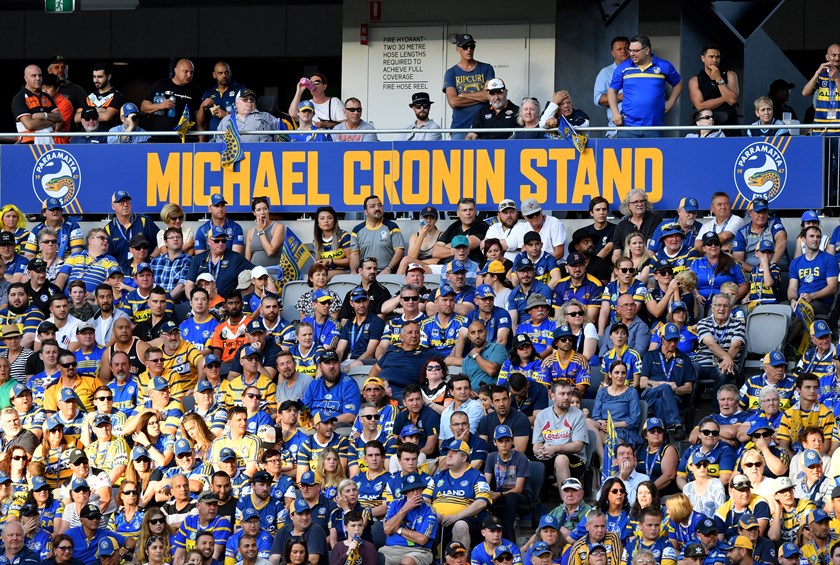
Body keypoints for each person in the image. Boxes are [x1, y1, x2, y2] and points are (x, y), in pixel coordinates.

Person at [608, 35, 683, 137]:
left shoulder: (664, 65)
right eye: (630, 50)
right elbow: (612, 90)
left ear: (647, 50)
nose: (631, 54)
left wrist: (670, 102)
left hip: (653, 126)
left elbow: (678, 83)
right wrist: (615, 113)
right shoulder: (623, 67)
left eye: (636, 51)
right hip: (628, 126)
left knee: (651, 153)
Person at [640, 323, 695, 438]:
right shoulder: (650, 356)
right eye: (669, 340)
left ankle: (662, 433)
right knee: (664, 388)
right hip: (650, 394)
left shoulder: (684, 359)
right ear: (661, 338)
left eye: (676, 340)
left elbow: (689, 388)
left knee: (661, 402)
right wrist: (663, 385)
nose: (673, 343)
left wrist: (672, 390)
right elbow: (642, 383)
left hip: (674, 397)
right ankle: (676, 424)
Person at [533, 382, 587, 496]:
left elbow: (578, 446)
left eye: (569, 394)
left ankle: (567, 505)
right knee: (528, 462)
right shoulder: (542, 415)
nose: (567, 397)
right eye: (562, 394)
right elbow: (536, 445)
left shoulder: (578, 415)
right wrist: (541, 451)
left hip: (574, 459)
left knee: (560, 459)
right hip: (548, 456)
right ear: (552, 396)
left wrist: (555, 449)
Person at [443, 34, 494, 140]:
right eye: (465, 47)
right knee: (457, 156)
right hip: (460, 127)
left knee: (484, 156)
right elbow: (453, 102)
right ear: (458, 49)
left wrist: (463, 95)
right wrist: (480, 97)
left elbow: (489, 95)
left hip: (483, 125)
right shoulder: (451, 73)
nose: (469, 50)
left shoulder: (486, 68)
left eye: (472, 47)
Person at [141, 58, 202, 143]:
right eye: (186, 71)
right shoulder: (161, 84)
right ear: (176, 70)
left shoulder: (195, 90)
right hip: (160, 139)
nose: (189, 75)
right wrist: (160, 106)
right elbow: (143, 107)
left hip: (185, 140)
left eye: (191, 72)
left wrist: (202, 142)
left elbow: (199, 120)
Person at [349, 196, 405, 274]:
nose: (377, 208)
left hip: (387, 273)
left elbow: (399, 251)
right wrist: (353, 272)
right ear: (366, 212)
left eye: (379, 205)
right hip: (366, 274)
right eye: (373, 206)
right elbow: (354, 254)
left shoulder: (392, 227)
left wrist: (389, 268)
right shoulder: (357, 230)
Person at [687, 44, 740, 126]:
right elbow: (700, 106)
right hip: (706, 125)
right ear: (703, 58)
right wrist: (726, 97)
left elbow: (732, 100)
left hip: (729, 124)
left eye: (717, 57)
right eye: (711, 57)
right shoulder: (695, 80)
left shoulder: (730, 75)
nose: (715, 60)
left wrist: (718, 78)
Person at [12, 64, 63, 144]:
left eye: (40, 75)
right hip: (28, 144)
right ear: (26, 78)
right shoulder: (19, 98)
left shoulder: (46, 96)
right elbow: (30, 125)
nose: (38, 78)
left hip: (49, 143)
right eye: (33, 76)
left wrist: (44, 115)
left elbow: (59, 118)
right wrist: (51, 122)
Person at [593, 37, 631, 135]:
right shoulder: (605, 72)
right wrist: (621, 96)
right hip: (616, 129)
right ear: (613, 53)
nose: (623, 51)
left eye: (626, 48)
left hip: (639, 126)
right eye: (619, 49)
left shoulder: (638, 70)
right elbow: (598, 99)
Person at [802, 43, 840, 132]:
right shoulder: (821, 74)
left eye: (839, 56)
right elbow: (805, 93)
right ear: (827, 57)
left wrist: (837, 79)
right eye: (834, 55)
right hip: (820, 127)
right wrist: (817, 73)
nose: (837, 58)